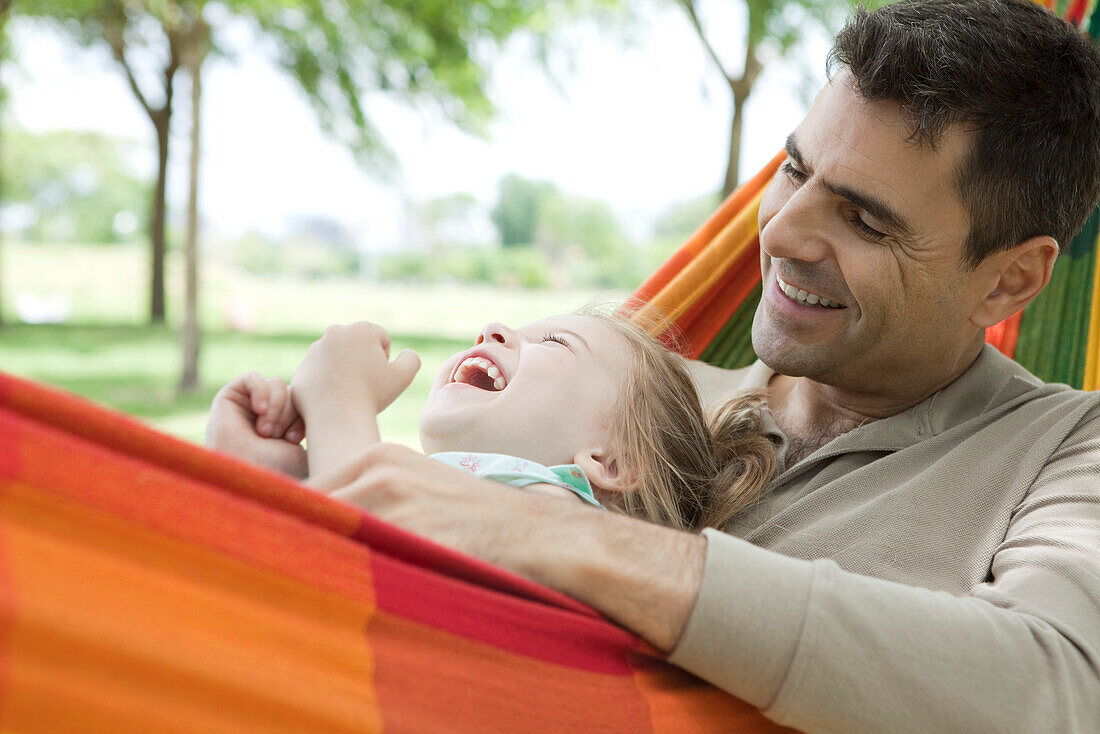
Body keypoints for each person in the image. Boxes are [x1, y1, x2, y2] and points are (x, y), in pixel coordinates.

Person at [247, 1, 1100, 731]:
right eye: (794, 171)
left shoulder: (1065, 452)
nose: (782, 234)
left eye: (866, 222)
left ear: (1011, 280)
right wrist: (262, 485)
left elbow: (1058, 684)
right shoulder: (637, 396)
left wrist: (564, 536)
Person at [206, 311, 777, 532]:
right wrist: (283, 476)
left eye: (554, 341)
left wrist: (338, 400)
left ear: (611, 461)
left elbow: (366, 560)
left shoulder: (557, 515)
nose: (495, 329)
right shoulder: (473, 491)